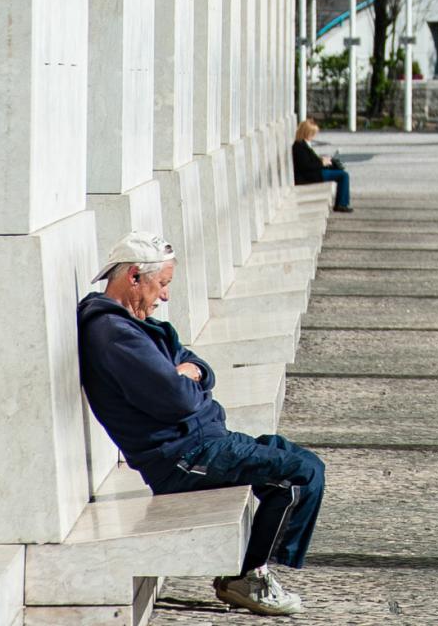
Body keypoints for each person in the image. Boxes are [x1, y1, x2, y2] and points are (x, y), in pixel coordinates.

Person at [78, 232, 325, 616]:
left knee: (293, 455)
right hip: (183, 456)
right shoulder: (114, 334)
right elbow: (177, 399)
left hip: (204, 440)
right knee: (299, 475)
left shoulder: (136, 325)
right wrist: (187, 381)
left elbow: (196, 365)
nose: (165, 296)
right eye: (162, 284)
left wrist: (189, 374)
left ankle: (250, 571)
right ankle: (249, 577)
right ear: (133, 277)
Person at [293, 119, 351, 212]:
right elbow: (306, 166)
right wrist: (321, 163)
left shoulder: (302, 144)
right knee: (343, 175)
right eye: (312, 134)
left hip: (313, 173)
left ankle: (342, 203)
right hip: (309, 176)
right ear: (306, 133)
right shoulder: (299, 146)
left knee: (341, 172)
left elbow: (309, 161)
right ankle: (341, 204)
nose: (313, 136)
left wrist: (322, 160)